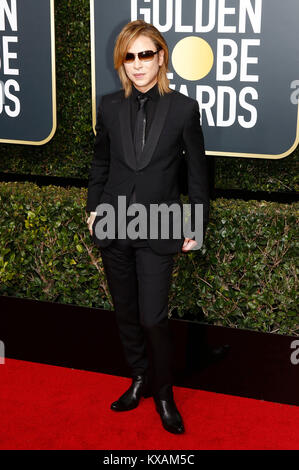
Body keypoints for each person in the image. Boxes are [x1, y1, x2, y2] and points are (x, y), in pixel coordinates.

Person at [86, 19, 209, 434]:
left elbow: (197, 175)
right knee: (126, 312)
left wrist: (196, 223)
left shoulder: (184, 109)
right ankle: (138, 378)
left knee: (153, 317)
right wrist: (93, 207)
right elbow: (101, 162)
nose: (137, 65)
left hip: (160, 226)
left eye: (145, 55)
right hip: (114, 223)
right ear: (122, 62)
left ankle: (164, 393)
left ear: (160, 58)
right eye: (129, 57)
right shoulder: (109, 105)